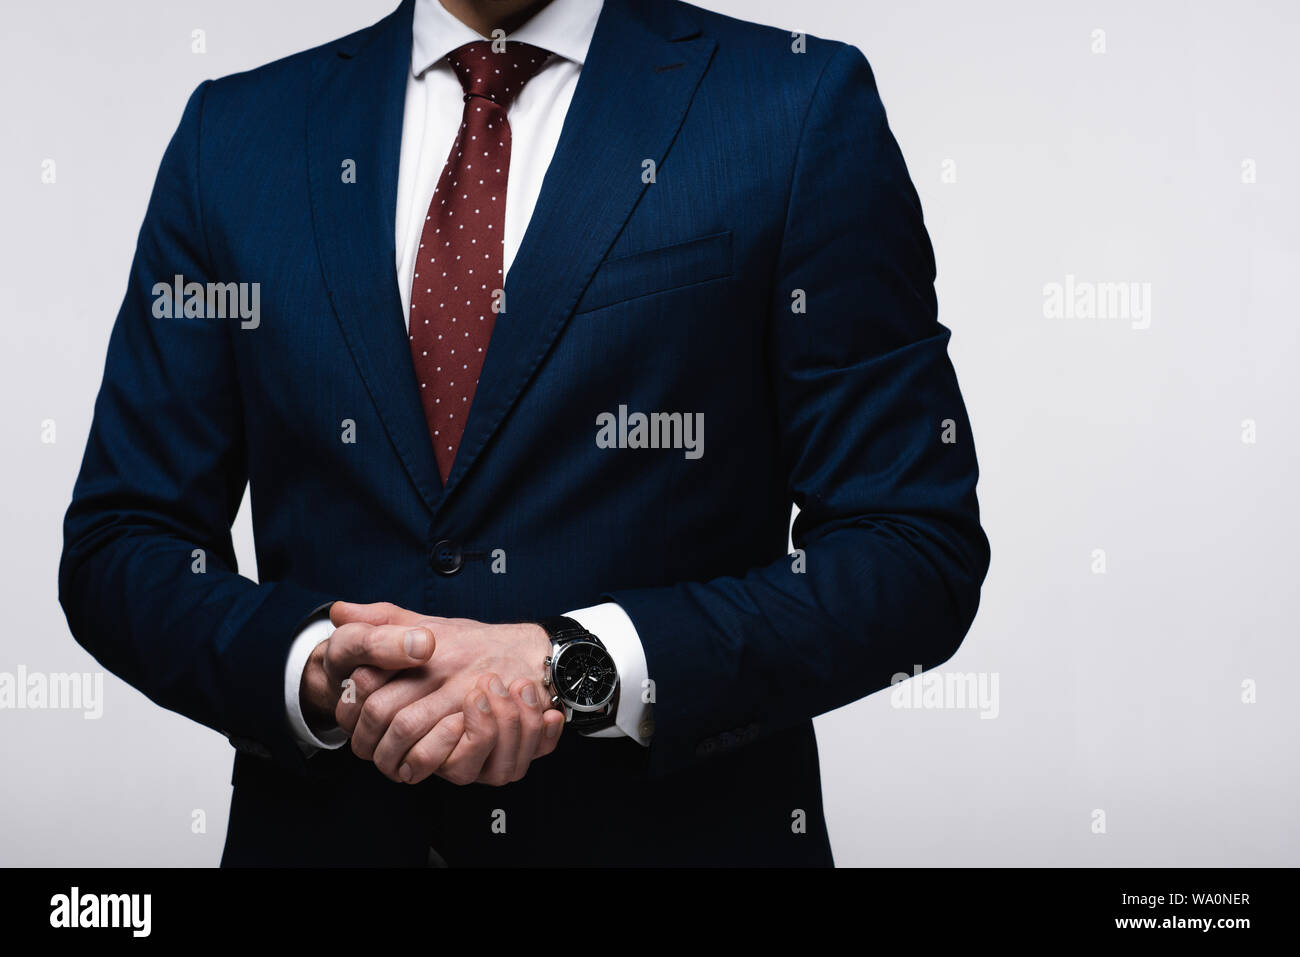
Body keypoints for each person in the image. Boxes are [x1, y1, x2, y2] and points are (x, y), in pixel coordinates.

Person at [59, 0, 990, 866]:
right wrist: (315, 667)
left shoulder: (794, 106)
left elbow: (911, 544)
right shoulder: (234, 137)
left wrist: (572, 665)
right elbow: (123, 539)